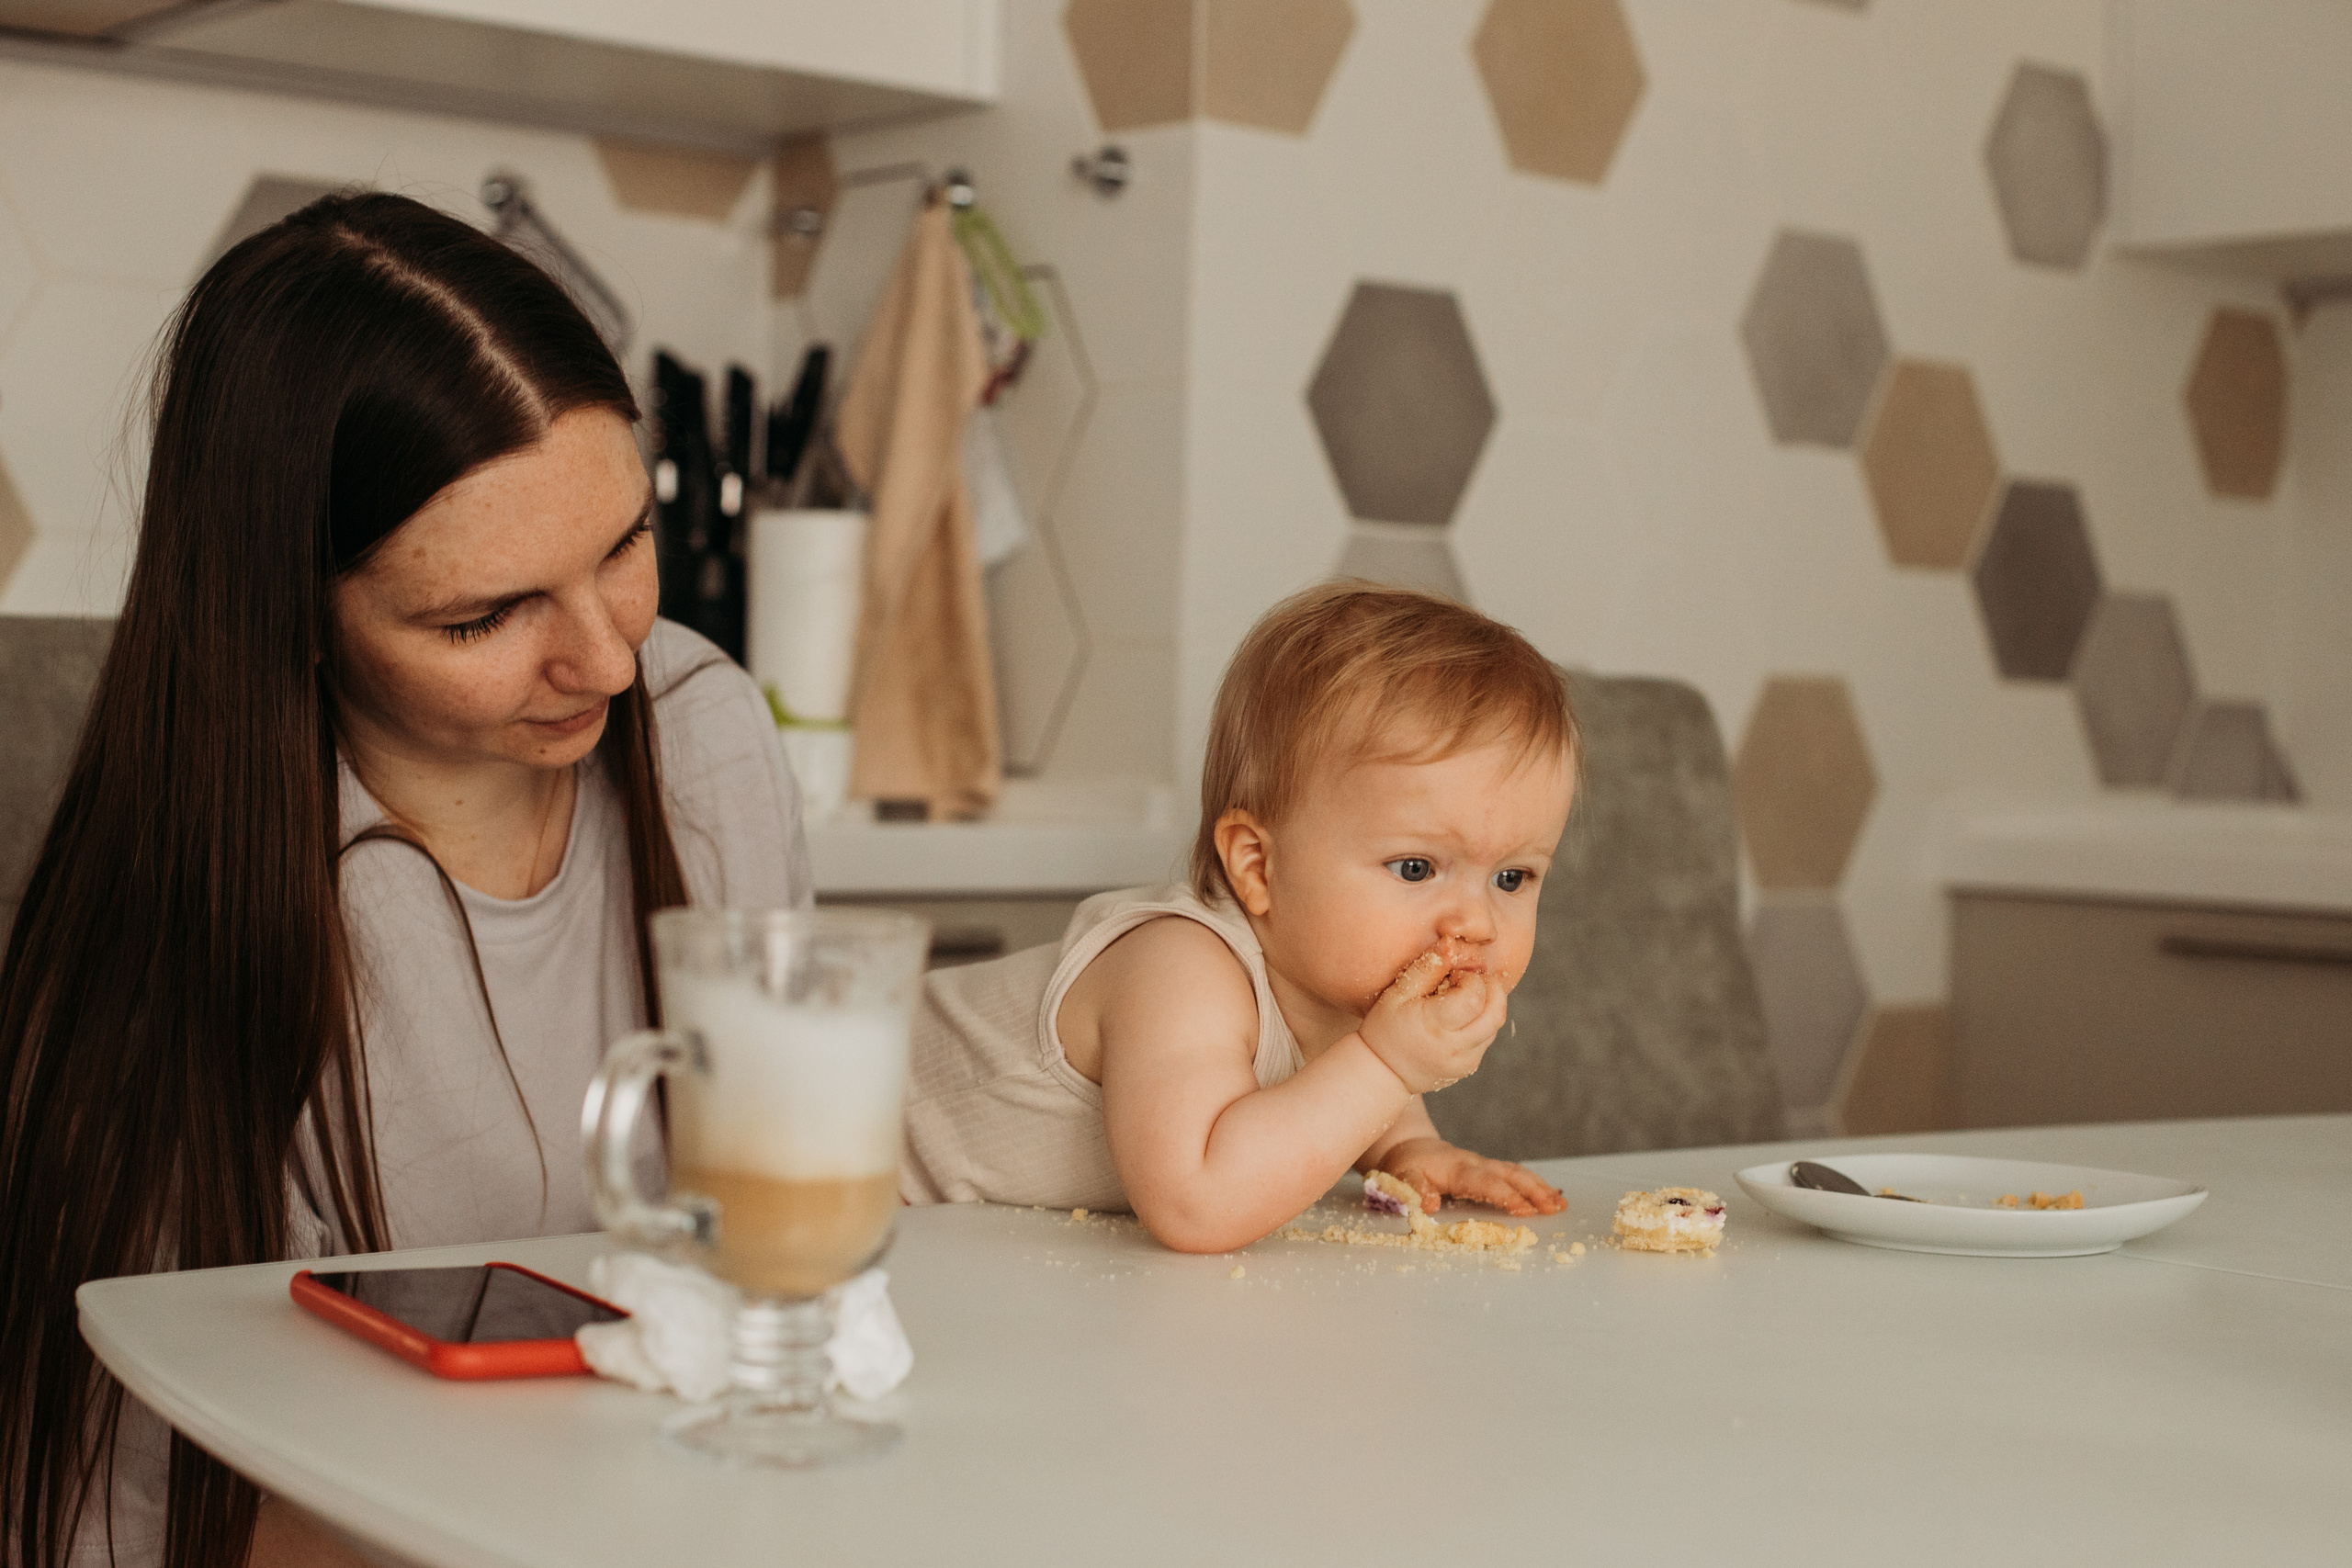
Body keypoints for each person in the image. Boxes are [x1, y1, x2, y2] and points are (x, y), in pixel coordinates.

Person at [0, 192, 808, 1568]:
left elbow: (793, 1223)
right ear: (291, 614)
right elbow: (134, 1505)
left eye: (623, 546)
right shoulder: (204, 925)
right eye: (483, 616)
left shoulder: (704, 725)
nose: (610, 663)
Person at [903, 582, 1573, 1250]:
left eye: (1512, 877)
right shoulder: (1181, 969)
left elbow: (1345, 1077)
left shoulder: (1341, 983)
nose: (1476, 923)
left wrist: (1409, 1147)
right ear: (1258, 867)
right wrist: (1389, 1062)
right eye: (1416, 868)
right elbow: (1195, 1202)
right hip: (828, 1134)